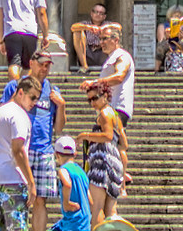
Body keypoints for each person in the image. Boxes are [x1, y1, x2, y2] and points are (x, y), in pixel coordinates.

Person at [0, 76, 43, 231]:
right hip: (12, 180)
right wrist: (31, 182)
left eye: (37, 99)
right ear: (20, 92)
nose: (35, 103)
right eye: (32, 97)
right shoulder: (19, 115)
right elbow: (18, 150)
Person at [77, 83, 126, 226]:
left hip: (102, 163)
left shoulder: (104, 113)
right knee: (110, 210)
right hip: (114, 163)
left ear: (105, 96)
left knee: (96, 207)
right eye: (89, 100)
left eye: (95, 98)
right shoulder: (115, 114)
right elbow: (124, 143)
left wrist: (84, 136)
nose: (92, 102)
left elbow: (108, 136)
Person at [26, 41, 66, 214]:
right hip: (23, 148)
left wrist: (61, 106)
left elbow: (59, 128)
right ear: (31, 63)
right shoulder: (17, 87)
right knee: (19, 197)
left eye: (47, 66)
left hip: (44, 150)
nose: (44, 68)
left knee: (41, 200)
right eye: (41, 64)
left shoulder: (53, 90)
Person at [84, 22, 134, 132]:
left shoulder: (122, 55)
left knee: (109, 142)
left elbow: (119, 76)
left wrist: (94, 82)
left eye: (105, 39)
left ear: (116, 40)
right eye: (100, 39)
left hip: (118, 108)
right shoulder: (112, 57)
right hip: (110, 108)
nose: (101, 43)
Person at [52, 138, 91, 231]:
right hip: (84, 221)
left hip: (72, 222)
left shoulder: (63, 169)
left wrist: (66, 203)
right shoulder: (81, 172)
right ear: (75, 154)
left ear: (57, 155)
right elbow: (90, 198)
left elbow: (67, 184)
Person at [69, 4, 111, 72]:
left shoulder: (107, 24)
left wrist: (103, 28)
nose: (98, 14)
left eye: (101, 13)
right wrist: (88, 27)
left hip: (103, 53)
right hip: (88, 53)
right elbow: (73, 27)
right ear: (91, 13)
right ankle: (84, 66)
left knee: (113, 35)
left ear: (104, 16)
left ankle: (112, 66)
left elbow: (119, 27)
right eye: (96, 12)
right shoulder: (85, 24)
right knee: (77, 32)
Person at [157, 7, 183, 73]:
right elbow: (160, 40)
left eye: (180, 16)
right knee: (161, 47)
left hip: (179, 49)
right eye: (175, 15)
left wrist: (181, 38)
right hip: (167, 48)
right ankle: (156, 69)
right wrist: (167, 37)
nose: (177, 17)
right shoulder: (162, 26)